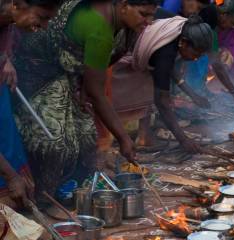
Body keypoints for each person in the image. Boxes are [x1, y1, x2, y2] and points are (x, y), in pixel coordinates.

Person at [13, 0, 159, 199]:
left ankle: (76, 192)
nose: (148, 22)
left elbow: (92, 72)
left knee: (86, 135)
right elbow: (97, 92)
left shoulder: (123, 26)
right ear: (124, 5)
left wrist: (83, 83)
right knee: (56, 142)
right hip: (38, 71)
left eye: (152, 15)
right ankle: (42, 197)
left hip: (68, 72)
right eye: (143, 14)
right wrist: (124, 138)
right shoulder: (100, 29)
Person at [112, 15, 213, 153]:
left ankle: (143, 136)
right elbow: (162, 101)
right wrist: (183, 140)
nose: (196, 58)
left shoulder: (182, 29)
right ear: (183, 42)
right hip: (116, 53)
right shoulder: (166, 50)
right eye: (196, 53)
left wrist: (193, 95)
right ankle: (114, 143)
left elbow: (167, 68)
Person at [0, 0, 61, 207]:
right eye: (42, 17)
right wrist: (10, 178)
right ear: (16, 4)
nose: (44, 26)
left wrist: (5, 59)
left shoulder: (8, 21)